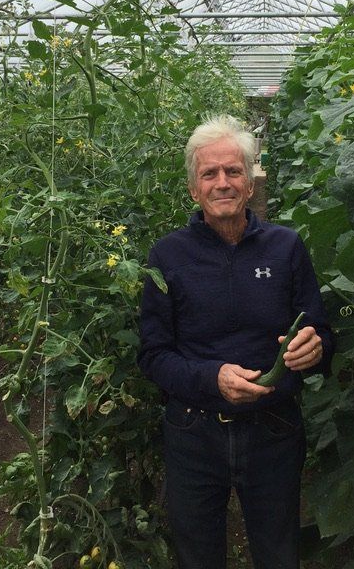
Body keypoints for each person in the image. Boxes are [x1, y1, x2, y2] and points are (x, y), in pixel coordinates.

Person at [138, 114, 334, 569]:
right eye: (210, 173)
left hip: (274, 429)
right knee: (199, 555)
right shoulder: (167, 256)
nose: (222, 182)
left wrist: (315, 348)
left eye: (234, 171)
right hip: (194, 431)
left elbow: (321, 333)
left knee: (278, 552)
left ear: (250, 184)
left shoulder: (286, 248)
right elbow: (153, 355)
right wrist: (212, 378)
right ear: (194, 188)